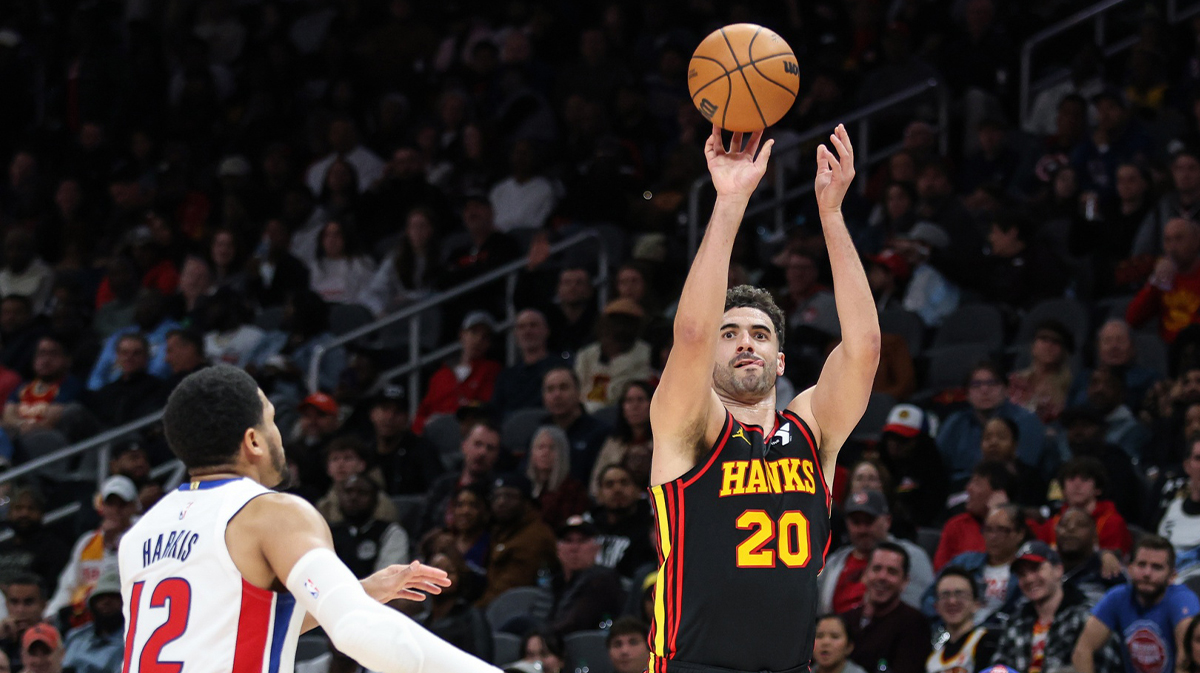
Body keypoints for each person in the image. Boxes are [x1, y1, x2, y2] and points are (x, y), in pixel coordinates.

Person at [647, 125, 879, 673]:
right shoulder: (691, 427)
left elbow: (865, 346)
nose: (745, 341)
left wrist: (832, 216)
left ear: (779, 361)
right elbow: (691, 336)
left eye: (760, 334)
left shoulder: (812, 430)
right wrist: (730, 201)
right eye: (730, 334)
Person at [117, 365, 499, 673]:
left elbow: (225, 630)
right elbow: (358, 630)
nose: (280, 435)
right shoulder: (272, 512)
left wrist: (359, 591)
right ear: (253, 441)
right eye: (271, 420)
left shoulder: (140, 534)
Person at [990, 541, 1123, 673]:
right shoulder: (1016, 621)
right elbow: (999, 666)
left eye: (1036, 569)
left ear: (1058, 569)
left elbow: (1107, 665)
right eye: (1022, 574)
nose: (1029, 579)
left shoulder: (1086, 618)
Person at [1074, 535, 1198, 673]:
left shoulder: (1182, 600)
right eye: (1141, 564)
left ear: (1172, 576)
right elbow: (1082, 650)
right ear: (1130, 568)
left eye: (1156, 567)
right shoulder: (1118, 597)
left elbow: (1187, 659)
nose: (1147, 573)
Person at [937, 361, 1055, 486]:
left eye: (992, 383)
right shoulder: (955, 423)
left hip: (1011, 488)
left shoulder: (1026, 420)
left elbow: (1023, 469)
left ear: (1006, 390)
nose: (984, 390)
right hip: (959, 490)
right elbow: (936, 465)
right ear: (967, 394)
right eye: (976, 385)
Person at [46, 476, 139, 629]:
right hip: (86, 619)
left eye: (122, 504)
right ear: (101, 506)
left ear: (134, 506)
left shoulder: (144, 536)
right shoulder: (87, 542)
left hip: (127, 616)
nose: (116, 510)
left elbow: (116, 580)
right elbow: (69, 585)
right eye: (110, 503)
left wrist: (110, 546)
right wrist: (51, 614)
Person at [819, 490, 933, 614]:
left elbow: (918, 606)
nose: (862, 529)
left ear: (887, 521)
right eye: (856, 522)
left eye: (869, 521)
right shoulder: (835, 560)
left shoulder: (912, 556)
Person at [927, 505, 1027, 627]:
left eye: (1001, 530)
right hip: (956, 631)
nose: (993, 537)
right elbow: (929, 597)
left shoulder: (1026, 572)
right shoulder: (963, 562)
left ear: (1020, 533)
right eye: (988, 529)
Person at [843, 542, 933, 673]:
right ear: (865, 574)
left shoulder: (914, 624)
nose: (882, 577)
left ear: (905, 581)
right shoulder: (846, 620)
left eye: (892, 571)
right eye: (877, 569)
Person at [413, 311, 502, 434]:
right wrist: (427, 424)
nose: (478, 340)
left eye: (485, 337)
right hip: (437, 437)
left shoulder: (492, 370)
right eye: (474, 332)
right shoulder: (439, 376)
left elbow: (486, 408)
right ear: (462, 335)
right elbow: (421, 416)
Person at [477, 474, 558, 607]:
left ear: (526, 501)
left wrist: (470, 614)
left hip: (516, 612)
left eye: (509, 496)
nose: (501, 502)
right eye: (496, 497)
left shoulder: (534, 537)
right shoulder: (503, 530)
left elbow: (507, 592)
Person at [1037, 456, 1133, 557]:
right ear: (1063, 489)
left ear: (1098, 489)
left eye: (1085, 479)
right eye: (1071, 478)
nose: (1077, 484)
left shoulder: (1113, 524)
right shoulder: (1050, 526)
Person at [546, 516, 625, 636]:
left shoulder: (602, 579)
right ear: (558, 549)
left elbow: (573, 623)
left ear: (596, 548)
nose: (574, 548)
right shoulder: (555, 581)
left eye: (582, 541)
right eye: (568, 540)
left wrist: (541, 637)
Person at [1127, 217, 1200, 343]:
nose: (1172, 247)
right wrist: (1155, 282)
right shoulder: (1162, 276)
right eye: (1168, 240)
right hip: (1168, 351)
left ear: (1196, 241)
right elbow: (1132, 320)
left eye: (1179, 239)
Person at [574, 299, 653, 413]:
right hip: (584, 411)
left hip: (621, 412)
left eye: (626, 322)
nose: (620, 327)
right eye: (615, 321)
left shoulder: (645, 354)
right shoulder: (586, 354)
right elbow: (577, 386)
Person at [492, 309, 570, 421]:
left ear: (546, 331)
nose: (527, 331)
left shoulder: (560, 368)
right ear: (515, 335)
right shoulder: (506, 376)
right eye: (521, 327)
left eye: (533, 325)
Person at [934, 462, 1014, 570]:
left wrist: (998, 513)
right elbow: (940, 571)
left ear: (998, 493)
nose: (968, 488)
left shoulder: (1021, 527)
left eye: (977, 483)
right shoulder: (956, 526)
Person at [329, 475, 410, 578]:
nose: (353, 498)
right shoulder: (328, 532)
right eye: (348, 492)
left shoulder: (391, 532)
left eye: (362, 493)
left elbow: (387, 579)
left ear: (375, 500)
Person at [538, 367, 611, 482]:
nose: (557, 395)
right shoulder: (539, 432)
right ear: (543, 397)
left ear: (578, 392)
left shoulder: (600, 432)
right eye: (550, 389)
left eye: (564, 387)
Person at [420, 551, 493, 661]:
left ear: (460, 576)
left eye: (449, 572)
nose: (441, 579)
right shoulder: (420, 621)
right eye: (435, 572)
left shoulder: (472, 618)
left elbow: (482, 662)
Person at [585, 465, 656, 579]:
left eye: (624, 483)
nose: (617, 489)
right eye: (609, 484)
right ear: (599, 495)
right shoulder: (587, 527)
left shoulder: (652, 529)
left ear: (638, 490)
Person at [590, 381, 655, 498]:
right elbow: (596, 485)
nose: (635, 406)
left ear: (653, 403)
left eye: (640, 399)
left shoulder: (665, 441)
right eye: (629, 400)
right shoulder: (613, 443)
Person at [0, 486, 71, 591]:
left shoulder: (54, 548)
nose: (24, 513)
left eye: (31, 509)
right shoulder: (2, 547)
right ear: (9, 514)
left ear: (41, 514)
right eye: (18, 508)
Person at [927, 568, 998, 673]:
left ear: (976, 604)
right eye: (945, 595)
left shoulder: (989, 641)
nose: (952, 601)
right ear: (936, 607)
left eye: (960, 594)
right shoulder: (932, 659)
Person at [1057, 508, 1126, 605]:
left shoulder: (1109, 571)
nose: (1071, 528)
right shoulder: (1045, 567)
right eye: (1064, 524)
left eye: (1081, 524)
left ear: (1095, 536)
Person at [526, 426, 589, 530]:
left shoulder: (573, 490)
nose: (545, 453)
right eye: (540, 447)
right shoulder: (524, 488)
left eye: (552, 448)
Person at [60, 570, 123, 673]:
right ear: (92, 604)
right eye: (100, 597)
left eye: (114, 597)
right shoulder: (76, 637)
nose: (106, 602)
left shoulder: (132, 643)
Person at [0, 574, 46, 669]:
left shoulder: (56, 640)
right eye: (14, 602)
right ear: (6, 605)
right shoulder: (2, 638)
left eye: (28, 602)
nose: (20, 610)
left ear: (43, 604)